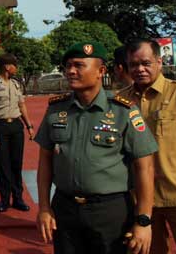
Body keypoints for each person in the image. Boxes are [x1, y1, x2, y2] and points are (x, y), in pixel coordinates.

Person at [35, 41, 158, 254]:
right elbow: (45, 160)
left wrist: (143, 221)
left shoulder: (124, 111)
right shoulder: (57, 109)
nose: (71, 71)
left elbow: (145, 167)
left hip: (110, 211)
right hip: (65, 208)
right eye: (68, 66)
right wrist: (44, 208)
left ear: (101, 71)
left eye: (79, 65)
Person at [120, 38, 176, 254]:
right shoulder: (120, 102)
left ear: (159, 62)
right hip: (141, 200)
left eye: (146, 63)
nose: (140, 69)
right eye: (133, 65)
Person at [0, 53, 34, 212]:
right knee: (3, 165)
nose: (16, 68)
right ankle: (4, 200)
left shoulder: (16, 84)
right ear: (7, 66)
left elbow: (22, 105)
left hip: (16, 127)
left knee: (17, 164)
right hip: (0, 127)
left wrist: (29, 126)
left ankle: (18, 199)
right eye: (14, 65)